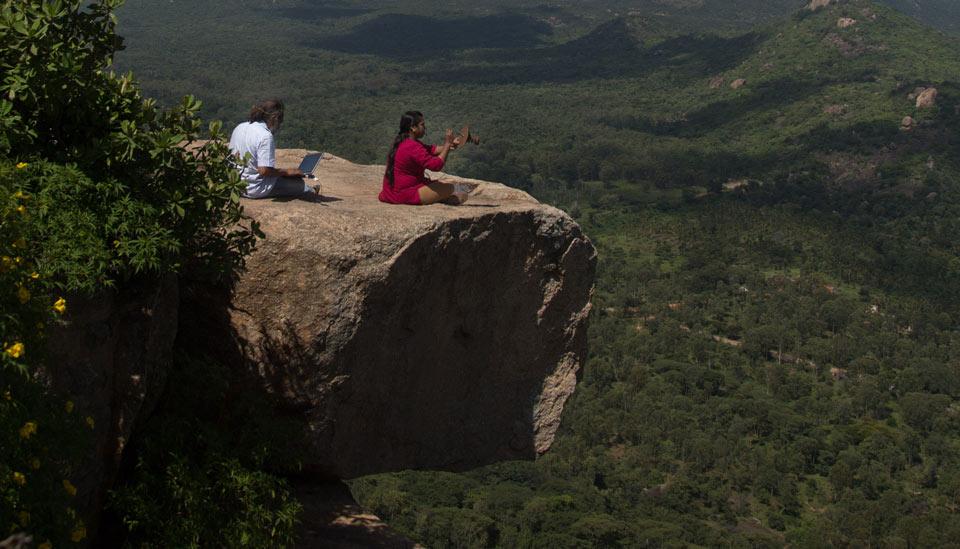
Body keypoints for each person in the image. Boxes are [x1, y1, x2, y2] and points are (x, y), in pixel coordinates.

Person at [229, 99, 313, 199]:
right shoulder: (265, 136)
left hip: (235, 184)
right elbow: (264, 171)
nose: (279, 125)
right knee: (300, 185)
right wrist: (288, 172)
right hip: (254, 188)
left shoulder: (240, 126)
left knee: (285, 178)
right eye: (280, 121)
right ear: (274, 118)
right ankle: (312, 190)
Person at [379, 111, 467, 205]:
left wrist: (449, 145)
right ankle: (440, 198)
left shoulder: (404, 141)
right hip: (404, 194)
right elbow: (436, 165)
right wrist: (447, 144)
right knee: (452, 188)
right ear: (413, 128)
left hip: (391, 192)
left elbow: (431, 150)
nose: (425, 127)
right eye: (422, 125)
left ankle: (437, 198)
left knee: (442, 186)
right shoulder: (412, 146)